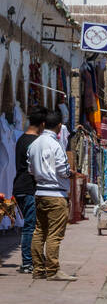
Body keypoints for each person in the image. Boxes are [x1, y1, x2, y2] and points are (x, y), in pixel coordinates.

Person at [27, 107, 75, 281]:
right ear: (59, 125)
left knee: (39, 231)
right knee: (54, 234)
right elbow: (63, 169)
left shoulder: (34, 144)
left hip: (40, 192)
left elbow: (30, 169)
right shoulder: (55, 145)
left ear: (44, 124)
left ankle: (38, 269)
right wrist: (70, 173)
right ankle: (53, 270)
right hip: (56, 194)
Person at [12, 106, 45, 274]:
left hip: (19, 186)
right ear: (42, 124)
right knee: (30, 226)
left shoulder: (21, 139)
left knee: (31, 225)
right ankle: (27, 262)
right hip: (28, 188)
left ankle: (33, 259)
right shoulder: (35, 142)